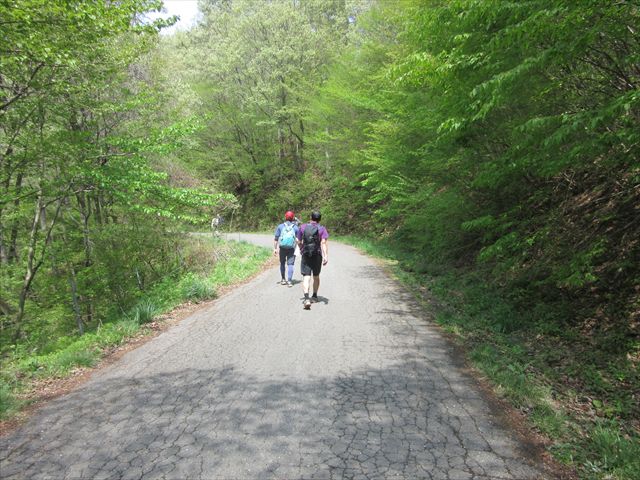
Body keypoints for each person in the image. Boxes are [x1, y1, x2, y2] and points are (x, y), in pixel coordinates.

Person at [296, 211, 329, 309]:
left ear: (311, 217)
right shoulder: (322, 229)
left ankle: (306, 299)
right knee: (316, 276)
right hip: (317, 255)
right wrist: (326, 256)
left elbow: (298, 240)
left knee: (306, 277)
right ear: (320, 219)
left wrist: (301, 247)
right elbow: (323, 243)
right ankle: (314, 296)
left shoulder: (303, 227)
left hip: (306, 254)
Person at [273, 211, 299, 287]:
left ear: (285, 217)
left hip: (282, 248)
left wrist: (275, 248)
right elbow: (299, 240)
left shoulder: (280, 226)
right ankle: (289, 281)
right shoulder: (295, 227)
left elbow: (276, 239)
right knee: (290, 264)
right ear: (293, 218)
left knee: (282, 263)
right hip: (291, 248)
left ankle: (283, 279)